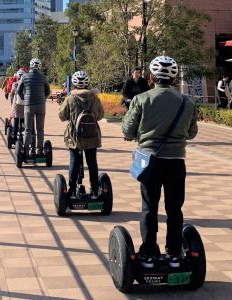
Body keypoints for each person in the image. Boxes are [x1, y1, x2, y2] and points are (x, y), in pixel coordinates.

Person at [122, 55, 198, 269]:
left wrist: (139, 134)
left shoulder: (141, 99)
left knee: (149, 207)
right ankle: (174, 254)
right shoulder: (187, 102)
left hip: (149, 161)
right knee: (175, 209)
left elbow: (127, 130)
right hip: (176, 161)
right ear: (174, 79)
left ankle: (148, 253)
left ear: (151, 77)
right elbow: (191, 133)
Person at [59, 70, 105, 198]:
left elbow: (62, 116)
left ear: (74, 84)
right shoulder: (95, 98)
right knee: (92, 162)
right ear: (87, 83)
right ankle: (95, 190)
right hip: (92, 135)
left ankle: (72, 191)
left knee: (74, 161)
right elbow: (100, 115)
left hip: (75, 136)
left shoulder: (70, 98)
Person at [17, 58, 51, 156]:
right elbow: (48, 91)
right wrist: (43, 99)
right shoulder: (43, 77)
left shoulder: (24, 76)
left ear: (30, 66)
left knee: (27, 129)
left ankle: (26, 151)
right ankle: (39, 151)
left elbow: (19, 91)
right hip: (41, 105)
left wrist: (25, 99)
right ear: (39, 67)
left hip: (28, 105)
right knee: (40, 129)